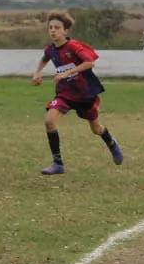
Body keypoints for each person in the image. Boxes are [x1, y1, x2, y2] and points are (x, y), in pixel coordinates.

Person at [31, 11, 124, 175]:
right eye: (50, 28)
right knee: (49, 121)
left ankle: (111, 142)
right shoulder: (50, 49)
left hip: (85, 94)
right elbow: (45, 58)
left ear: (65, 31)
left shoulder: (73, 46)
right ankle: (58, 163)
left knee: (96, 128)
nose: (53, 31)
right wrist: (37, 73)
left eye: (57, 28)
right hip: (64, 94)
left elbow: (90, 63)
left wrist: (67, 73)